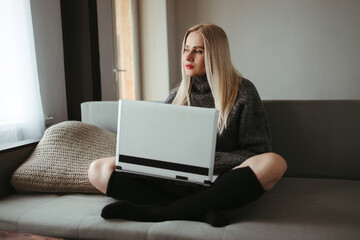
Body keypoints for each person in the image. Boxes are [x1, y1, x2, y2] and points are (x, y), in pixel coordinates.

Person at [88, 23, 287, 227]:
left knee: (274, 162)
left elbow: (258, 151)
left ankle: (160, 213)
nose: (188, 57)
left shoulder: (243, 91)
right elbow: (160, 147)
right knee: (98, 169)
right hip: (178, 181)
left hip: (222, 180)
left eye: (198, 51)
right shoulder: (177, 96)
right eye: (186, 49)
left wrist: (208, 163)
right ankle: (200, 211)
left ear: (216, 55)